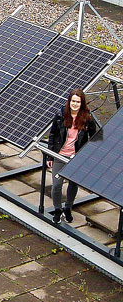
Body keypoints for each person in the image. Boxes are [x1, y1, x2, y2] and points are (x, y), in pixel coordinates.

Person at [47, 88, 97, 224]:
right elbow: (52, 135)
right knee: (56, 186)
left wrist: (86, 154)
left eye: (78, 102)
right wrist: (50, 156)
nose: (75, 104)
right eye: (73, 101)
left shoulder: (87, 118)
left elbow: (94, 137)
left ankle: (68, 207)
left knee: (73, 184)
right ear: (69, 102)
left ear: (82, 103)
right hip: (60, 155)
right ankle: (57, 209)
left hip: (76, 157)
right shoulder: (60, 115)